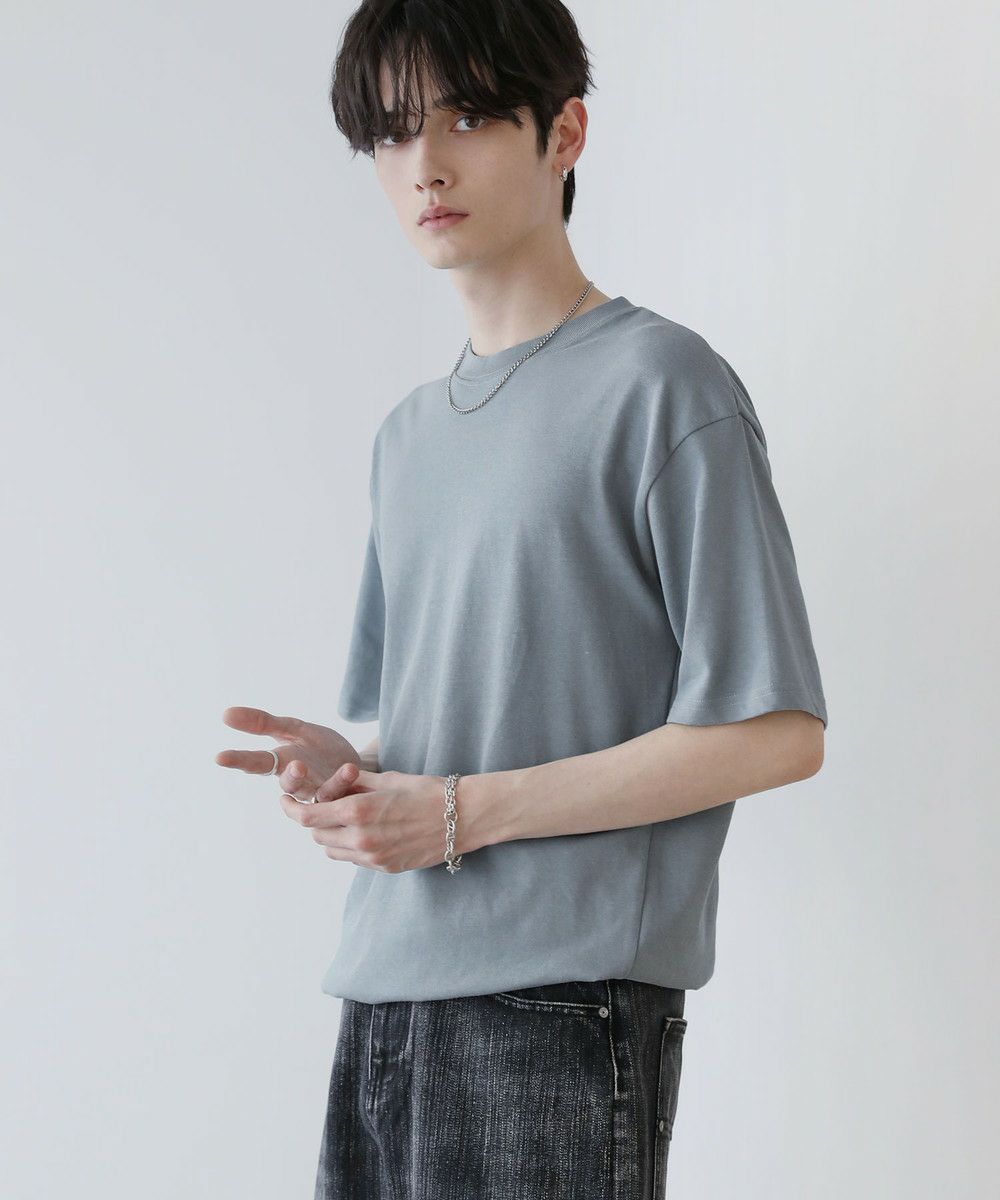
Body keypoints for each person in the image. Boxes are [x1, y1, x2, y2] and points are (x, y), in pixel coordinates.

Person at [216, 2, 828, 1195]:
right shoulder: (406, 437)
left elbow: (776, 732)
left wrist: (459, 812)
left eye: (469, 118)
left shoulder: (663, 385)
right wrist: (361, 769)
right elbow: (467, 719)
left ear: (565, 133)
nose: (425, 166)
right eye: (392, 133)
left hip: (557, 1010)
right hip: (382, 1002)